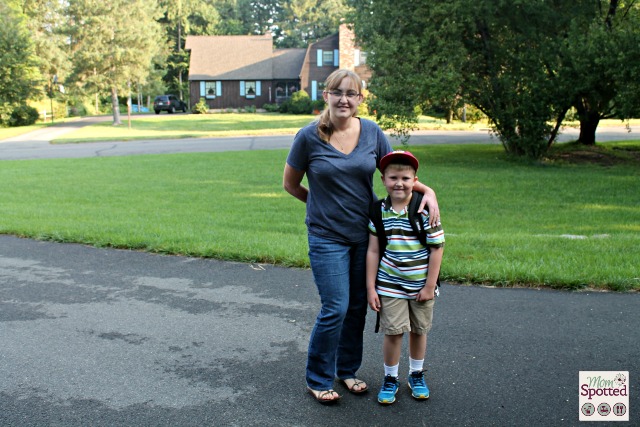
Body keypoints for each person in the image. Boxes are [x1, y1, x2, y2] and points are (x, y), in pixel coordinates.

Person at [283, 69, 440, 404]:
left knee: (357, 307)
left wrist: (429, 191)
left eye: (351, 94)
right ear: (325, 95)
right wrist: (319, 205)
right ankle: (318, 377)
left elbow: (396, 173)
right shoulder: (309, 136)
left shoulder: (371, 132)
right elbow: (290, 184)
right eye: (337, 92)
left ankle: (347, 370)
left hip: (366, 235)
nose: (344, 99)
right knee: (335, 307)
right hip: (326, 236)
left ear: (360, 99)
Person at [365, 150, 444, 405]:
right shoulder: (378, 210)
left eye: (405, 178)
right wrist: (371, 288)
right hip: (389, 285)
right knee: (393, 332)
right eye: (393, 177)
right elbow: (374, 250)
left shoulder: (424, 208)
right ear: (383, 179)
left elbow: (437, 248)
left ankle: (416, 374)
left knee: (419, 331)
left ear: (415, 179)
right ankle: (390, 378)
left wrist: (430, 285)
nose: (399, 183)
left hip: (421, 285)